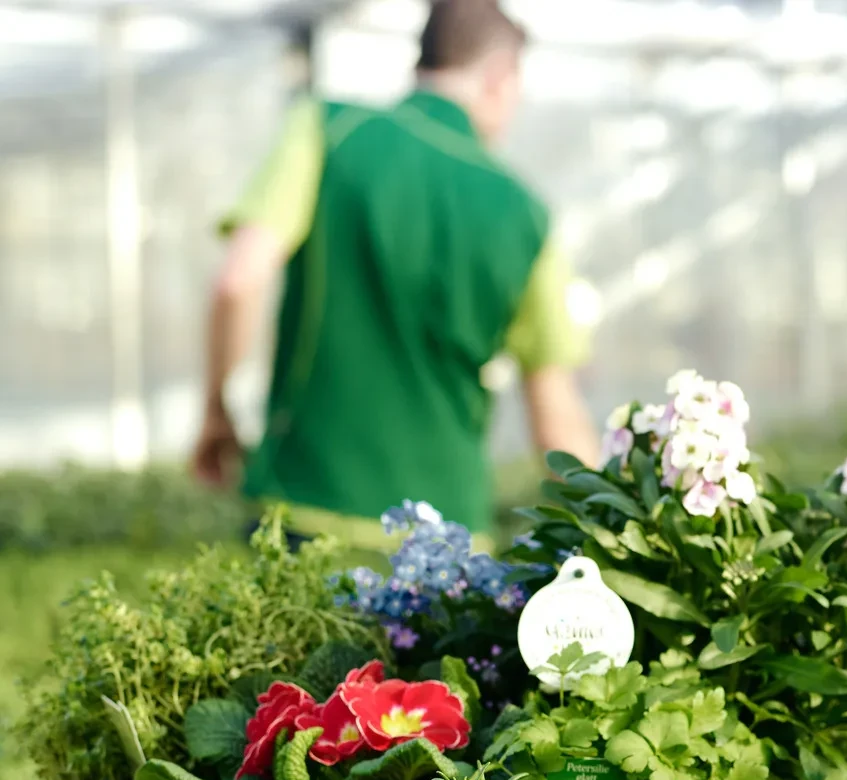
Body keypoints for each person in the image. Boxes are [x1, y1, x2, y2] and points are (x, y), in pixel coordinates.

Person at [192, 0, 598, 538]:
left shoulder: (328, 130)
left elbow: (237, 281)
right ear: (499, 78)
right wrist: (618, 542)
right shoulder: (525, 214)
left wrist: (218, 414)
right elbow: (557, 419)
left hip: (304, 514)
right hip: (447, 547)